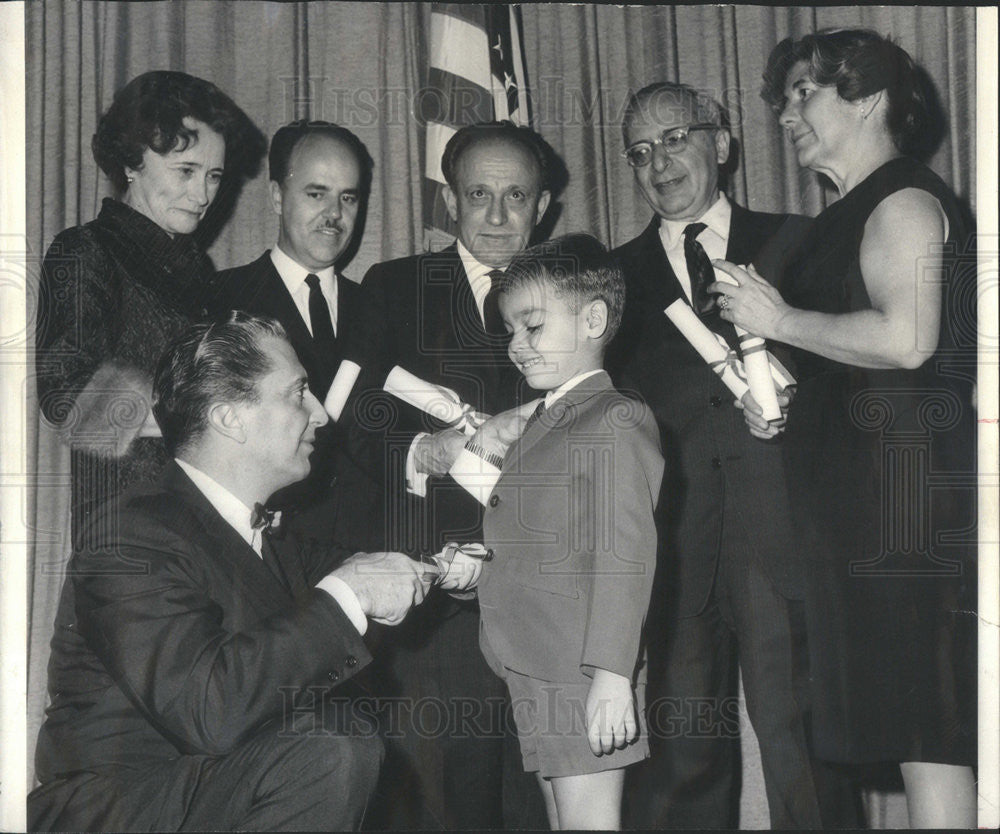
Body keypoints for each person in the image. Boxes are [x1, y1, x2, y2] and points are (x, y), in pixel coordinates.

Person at [28, 313, 443, 832]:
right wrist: (347, 594)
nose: (320, 414)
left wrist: (457, 562)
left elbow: (374, 567)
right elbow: (208, 709)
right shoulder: (130, 535)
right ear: (230, 418)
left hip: (210, 789)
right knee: (331, 749)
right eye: (298, 394)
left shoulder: (272, 542)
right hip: (116, 806)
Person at [711, 29, 977, 828]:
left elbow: (907, 339)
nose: (786, 114)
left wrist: (781, 318)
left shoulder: (901, 199)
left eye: (804, 94)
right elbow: (841, 362)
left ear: (867, 99)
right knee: (909, 725)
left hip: (907, 502)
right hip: (856, 502)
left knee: (932, 727)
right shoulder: (837, 219)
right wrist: (777, 402)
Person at [606, 81, 847, 829]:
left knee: (803, 753)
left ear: (722, 143)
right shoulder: (610, 279)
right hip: (673, 550)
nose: (658, 162)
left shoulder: (803, 240)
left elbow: (858, 379)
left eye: (675, 138)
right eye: (640, 151)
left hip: (785, 539)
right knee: (681, 760)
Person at [353, 121, 558, 829]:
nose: (498, 217)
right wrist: (423, 451)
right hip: (434, 598)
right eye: (479, 194)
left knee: (537, 803)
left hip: (543, 596)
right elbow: (351, 418)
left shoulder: (576, 295)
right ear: (449, 201)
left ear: (544, 205)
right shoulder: (391, 286)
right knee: (442, 804)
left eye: (516, 196)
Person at [448, 234, 663, 829]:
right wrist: (472, 570)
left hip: (583, 668)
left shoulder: (614, 417)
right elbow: (530, 535)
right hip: (534, 659)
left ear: (593, 319)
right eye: (511, 331)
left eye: (532, 327)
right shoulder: (545, 419)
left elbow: (625, 556)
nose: (516, 347)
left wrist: (614, 677)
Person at [35, 70, 265, 546]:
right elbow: (64, 395)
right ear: (132, 162)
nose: (202, 195)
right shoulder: (86, 250)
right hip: (127, 534)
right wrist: (202, 419)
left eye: (214, 176)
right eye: (186, 170)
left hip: (205, 532)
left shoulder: (200, 273)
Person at [212, 120, 380, 551]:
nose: (334, 215)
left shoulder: (382, 308)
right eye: (316, 193)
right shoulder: (217, 298)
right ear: (276, 196)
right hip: (262, 556)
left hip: (366, 553)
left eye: (348, 197)